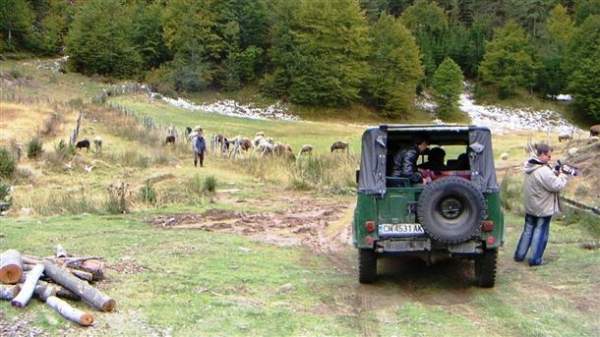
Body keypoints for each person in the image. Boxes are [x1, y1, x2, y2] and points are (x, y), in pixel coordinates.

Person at [514, 143, 569, 266]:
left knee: (528, 231)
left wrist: (553, 171)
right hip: (542, 208)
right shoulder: (543, 170)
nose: (550, 158)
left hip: (531, 206)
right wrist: (563, 175)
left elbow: (543, 181)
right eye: (549, 156)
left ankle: (519, 255)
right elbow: (556, 185)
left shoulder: (531, 165)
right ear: (542, 154)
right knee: (540, 233)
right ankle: (535, 259)